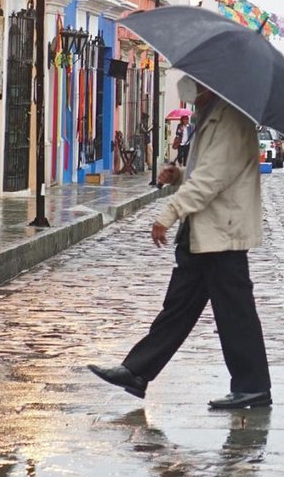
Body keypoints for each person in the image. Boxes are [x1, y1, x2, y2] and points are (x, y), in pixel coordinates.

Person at [89, 82, 272, 409]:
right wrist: (180, 174)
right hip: (205, 229)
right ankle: (136, 371)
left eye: (200, 86)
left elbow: (212, 180)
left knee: (236, 312)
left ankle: (253, 386)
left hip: (222, 232)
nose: (195, 90)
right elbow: (203, 174)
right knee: (179, 307)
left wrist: (169, 211)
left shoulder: (231, 122)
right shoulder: (212, 118)